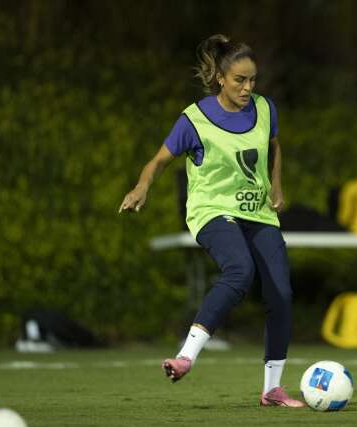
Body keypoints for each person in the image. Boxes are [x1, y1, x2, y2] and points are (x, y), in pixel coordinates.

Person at [118, 34, 304, 408]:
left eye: (253, 80)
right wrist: (142, 187)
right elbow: (158, 161)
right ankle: (186, 357)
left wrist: (277, 185)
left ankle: (272, 389)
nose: (248, 87)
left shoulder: (265, 108)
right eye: (240, 80)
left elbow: (274, 144)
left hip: (257, 211)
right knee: (239, 270)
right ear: (220, 77)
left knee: (281, 294)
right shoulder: (194, 119)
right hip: (211, 210)